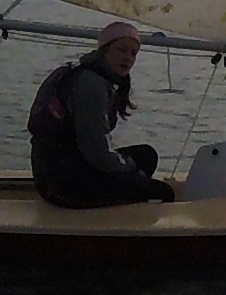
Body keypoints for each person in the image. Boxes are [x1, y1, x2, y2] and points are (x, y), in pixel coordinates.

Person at [27, 21, 176, 208]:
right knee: (163, 192)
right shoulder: (91, 84)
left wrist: (128, 168)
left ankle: (120, 200)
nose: (128, 58)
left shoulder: (101, 78)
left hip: (74, 166)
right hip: (60, 182)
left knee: (147, 156)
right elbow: (96, 152)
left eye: (133, 53)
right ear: (105, 50)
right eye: (121, 50)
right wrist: (128, 168)